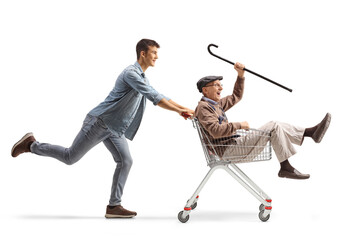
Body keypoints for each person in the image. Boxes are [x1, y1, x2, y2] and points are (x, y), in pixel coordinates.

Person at [11, 39, 194, 218]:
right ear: (143, 53)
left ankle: (114, 206)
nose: (157, 56)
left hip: (115, 128)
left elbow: (160, 95)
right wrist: (179, 111)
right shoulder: (131, 73)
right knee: (70, 157)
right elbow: (154, 97)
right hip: (100, 122)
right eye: (154, 52)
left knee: (126, 161)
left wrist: (184, 108)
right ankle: (31, 145)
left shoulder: (142, 76)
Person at [194, 62, 331, 180]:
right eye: (216, 85)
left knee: (275, 126)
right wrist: (239, 125)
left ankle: (307, 136)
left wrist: (240, 75)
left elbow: (236, 96)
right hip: (229, 150)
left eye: (221, 84)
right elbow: (215, 131)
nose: (221, 88)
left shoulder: (215, 104)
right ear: (205, 90)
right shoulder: (204, 107)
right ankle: (291, 159)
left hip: (235, 145)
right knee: (273, 126)